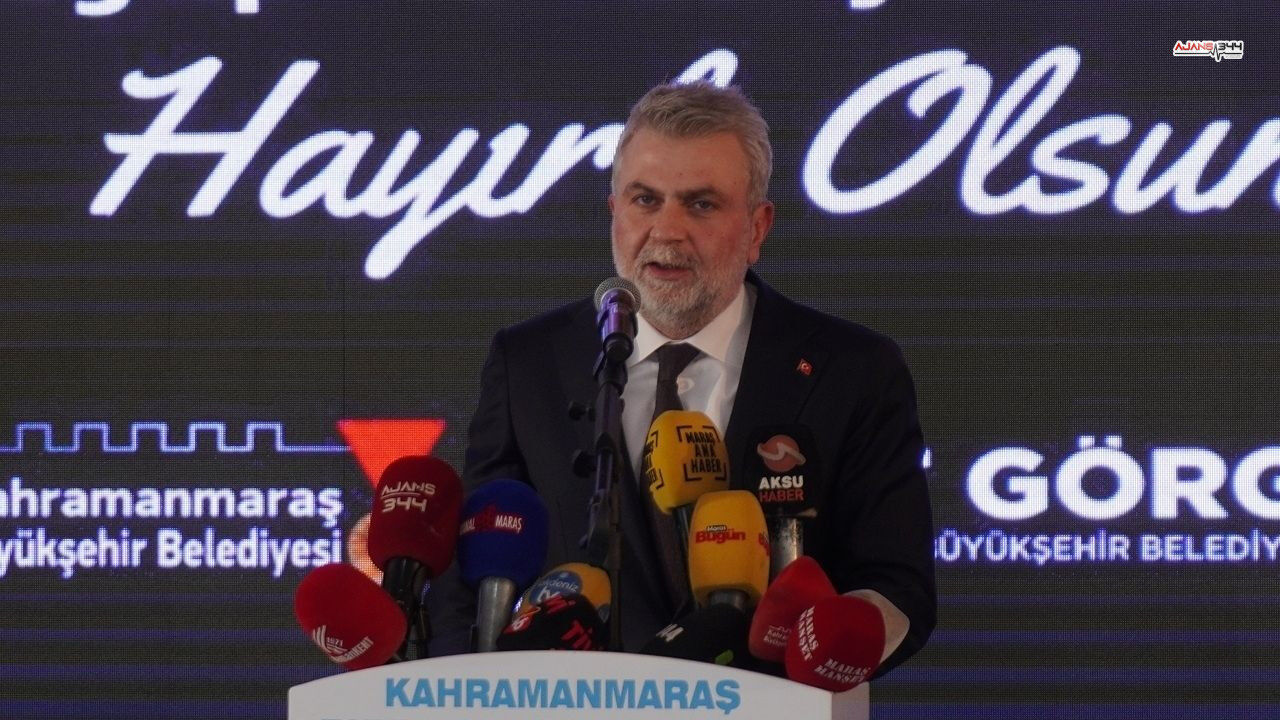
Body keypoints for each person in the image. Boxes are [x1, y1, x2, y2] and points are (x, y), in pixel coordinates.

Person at [427, 81, 935, 675]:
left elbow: (898, 587)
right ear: (614, 212)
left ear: (757, 228)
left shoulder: (854, 368)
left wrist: (837, 643)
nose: (667, 231)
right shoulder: (529, 362)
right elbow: (472, 574)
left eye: (701, 204)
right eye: (645, 199)